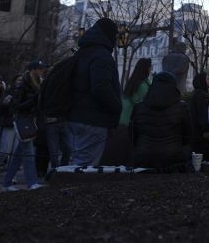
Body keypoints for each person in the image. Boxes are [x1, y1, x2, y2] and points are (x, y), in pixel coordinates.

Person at [68, 17, 123, 166]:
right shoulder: (101, 56)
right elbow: (101, 88)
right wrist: (117, 106)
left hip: (76, 116)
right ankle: (72, 189)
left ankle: (67, 188)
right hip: (93, 120)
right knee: (85, 166)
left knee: (77, 162)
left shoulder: (83, 52)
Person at [130, 72, 193, 170]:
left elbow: (133, 135)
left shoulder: (139, 107)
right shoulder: (182, 107)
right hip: (174, 158)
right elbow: (188, 135)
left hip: (143, 157)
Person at [3, 60, 45, 191]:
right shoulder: (24, 84)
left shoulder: (37, 83)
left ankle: (7, 182)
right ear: (33, 70)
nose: (42, 70)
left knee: (18, 155)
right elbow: (16, 105)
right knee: (28, 153)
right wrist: (34, 99)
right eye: (39, 68)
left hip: (30, 120)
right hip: (23, 120)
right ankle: (32, 182)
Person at [102, 58, 153, 165]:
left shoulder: (133, 82)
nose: (151, 69)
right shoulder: (144, 85)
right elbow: (140, 103)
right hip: (129, 123)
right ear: (147, 69)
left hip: (121, 120)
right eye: (150, 67)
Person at [188, 72, 209, 161]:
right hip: (202, 136)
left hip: (196, 134)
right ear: (202, 81)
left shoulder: (197, 94)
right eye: (207, 78)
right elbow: (203, 116)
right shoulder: (203, 96)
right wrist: (206, 130)